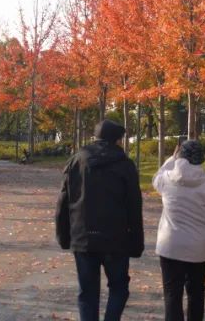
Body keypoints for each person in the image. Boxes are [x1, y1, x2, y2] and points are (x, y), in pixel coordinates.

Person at [56, 119, 144, 321]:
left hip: (83, 237)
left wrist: (63, 236)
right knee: (119, 288)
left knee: (87, 292)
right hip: (116, 239)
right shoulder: (125, 165)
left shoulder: (76, 161)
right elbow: (134, 206)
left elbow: (63, 200)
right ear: (118, 140)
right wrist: (136, 243)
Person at [152, 139, 205, 321]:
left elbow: (157, 176)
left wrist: (172, 158)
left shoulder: (167, 180)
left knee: (172, 294)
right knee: (196, 293)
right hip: (199, 250)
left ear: (180, 156)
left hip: (170, 246)